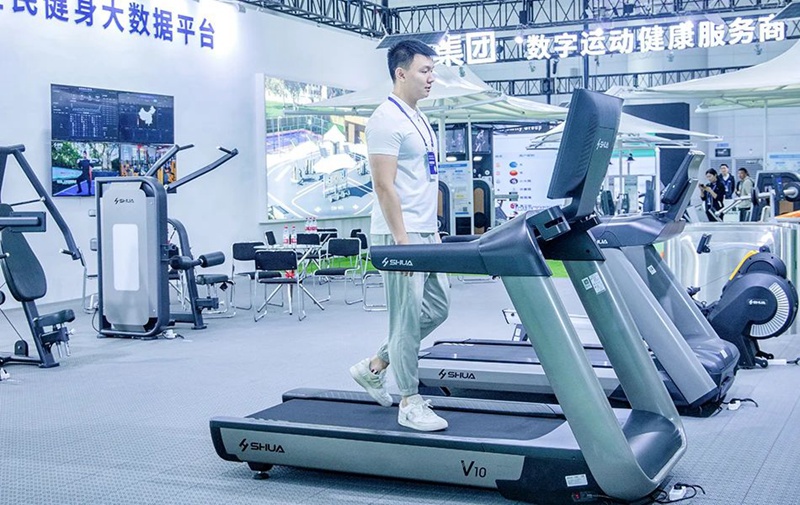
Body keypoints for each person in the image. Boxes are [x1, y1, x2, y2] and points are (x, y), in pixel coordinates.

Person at [349, 40, 450, 432]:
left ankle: (375, 365)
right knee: (406, 320)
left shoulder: (418, 117)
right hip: (401, 235)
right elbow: (384, 186)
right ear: (401, 73)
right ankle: (409, 401)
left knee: (438, 308)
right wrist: (403, 241)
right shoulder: (384, 120)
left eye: (432, 70)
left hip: (426, 231)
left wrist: (430, 230)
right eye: (425, 70)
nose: (431, 77)